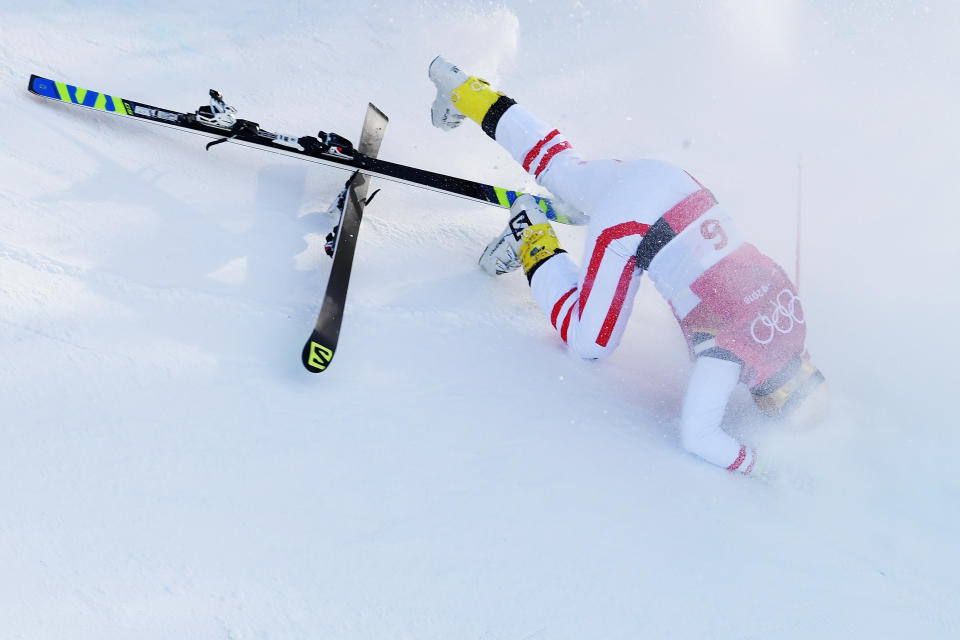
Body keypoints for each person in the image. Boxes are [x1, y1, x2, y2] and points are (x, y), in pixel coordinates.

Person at [428, 56, 828, 476]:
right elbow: (698, 436)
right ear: (773, 397)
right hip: (635, 224)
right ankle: (530, 230)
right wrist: (758, 467)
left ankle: (466, 92)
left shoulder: (793, 323)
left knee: (562, 173)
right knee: (589, 342)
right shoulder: (735, 356)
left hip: (673, 184)